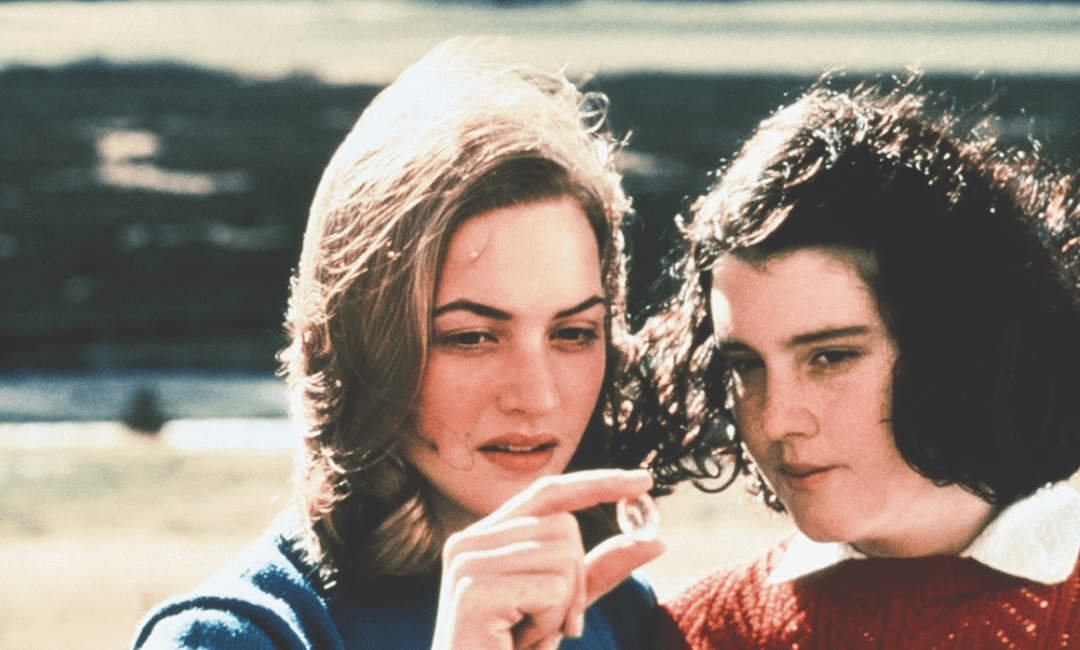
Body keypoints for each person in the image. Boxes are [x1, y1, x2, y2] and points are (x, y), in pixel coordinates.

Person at [130, 39, 664, 650]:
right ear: (364, 345)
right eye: (471, 338)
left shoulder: (614, 609)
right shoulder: (234, 635)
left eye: (572, 334)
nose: (537, 397)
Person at [636, 77, 1080, 648]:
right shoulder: (696, 633)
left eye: (830, 357)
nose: (776, 420)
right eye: (745, 365)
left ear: (964, 346)